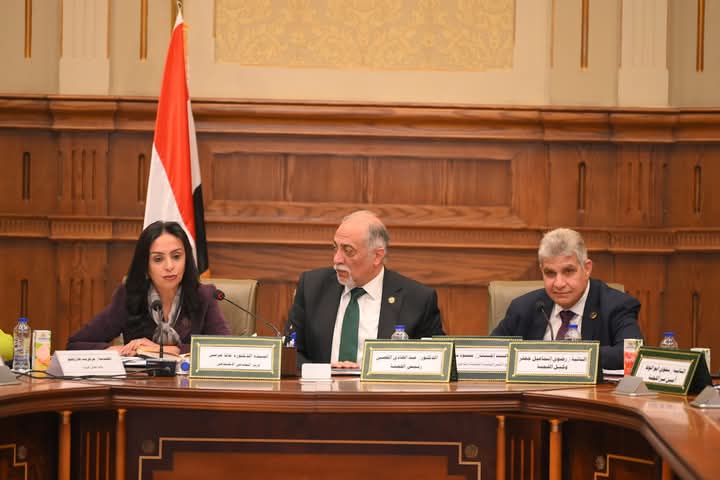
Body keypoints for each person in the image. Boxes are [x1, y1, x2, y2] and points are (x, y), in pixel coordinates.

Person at [286, 210, 445, 368]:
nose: (337, 259)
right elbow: (290, 352)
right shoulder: (312, 287)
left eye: (348, 251)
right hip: (321, 384)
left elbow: (434, 363)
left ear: (377, 256)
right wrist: (323, 371)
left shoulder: (417, 299)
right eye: (335, 248)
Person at [67, 221, 229, 355]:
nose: (169, 266)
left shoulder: (204, 296)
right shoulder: (130, 295)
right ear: (145, 265)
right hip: (141, 383)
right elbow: (76, 344)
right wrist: (113, 350)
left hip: (189, 384)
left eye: (176, 256)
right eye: (158, 259)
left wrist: (164, 350)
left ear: (186, 259)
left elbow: (225, 349)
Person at [491, 228, 642, 370]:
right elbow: (490, 351)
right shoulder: (524, 307)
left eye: (568, 271)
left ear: (587, 268)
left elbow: (632, 354)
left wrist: (570, 357)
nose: (559, 284)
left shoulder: (616, 305)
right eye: (550, 273)